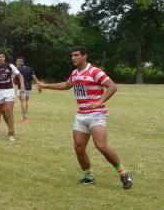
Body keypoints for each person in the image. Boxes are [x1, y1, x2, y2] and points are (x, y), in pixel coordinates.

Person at [37, 47, 133, 189]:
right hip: (81, 115)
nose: (73, 58)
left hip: (97, 114)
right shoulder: (75, 73)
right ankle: (88, 177)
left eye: (76, 55)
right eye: (72, 56)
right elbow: (66, 85)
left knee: (101, 145)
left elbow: (112, 87)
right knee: (79, 147)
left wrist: (100, 101)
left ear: (84, 56)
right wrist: (46, 86)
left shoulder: (95, 71)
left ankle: (123, 174)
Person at [0, 53, 22, 141]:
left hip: (9, 90)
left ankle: (11, 133)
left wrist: (22, 86)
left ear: (5, 58)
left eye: (2, 57)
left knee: (8, 110)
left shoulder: (10, 66)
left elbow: (20, 76)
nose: (1, 58)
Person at [15, 57, 37, 122]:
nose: (16, 62)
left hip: (21, 88)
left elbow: (14, 80)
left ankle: (24, 117)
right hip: (29, 88)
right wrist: (39, 84)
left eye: (17, 61)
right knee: (26, 101)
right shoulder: (29, 68)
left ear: (20, 62)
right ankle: (24, 114)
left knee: (23, 102)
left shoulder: (17, 69)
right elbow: (34, 77)